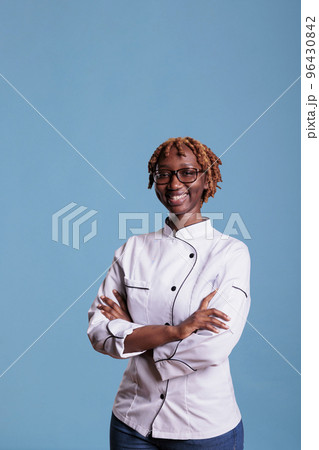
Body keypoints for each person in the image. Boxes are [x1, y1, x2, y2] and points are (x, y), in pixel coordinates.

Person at [87, 136, 251, 449]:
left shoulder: (231, 253)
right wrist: (177, 332)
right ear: (155, 181)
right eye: (164, 174)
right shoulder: (132, 250)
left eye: (187, 172)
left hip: (202, 428)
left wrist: (135, 335)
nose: (175, 183)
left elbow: (212, 348)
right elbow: (99, 333)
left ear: (207, 178)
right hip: (131, 421)